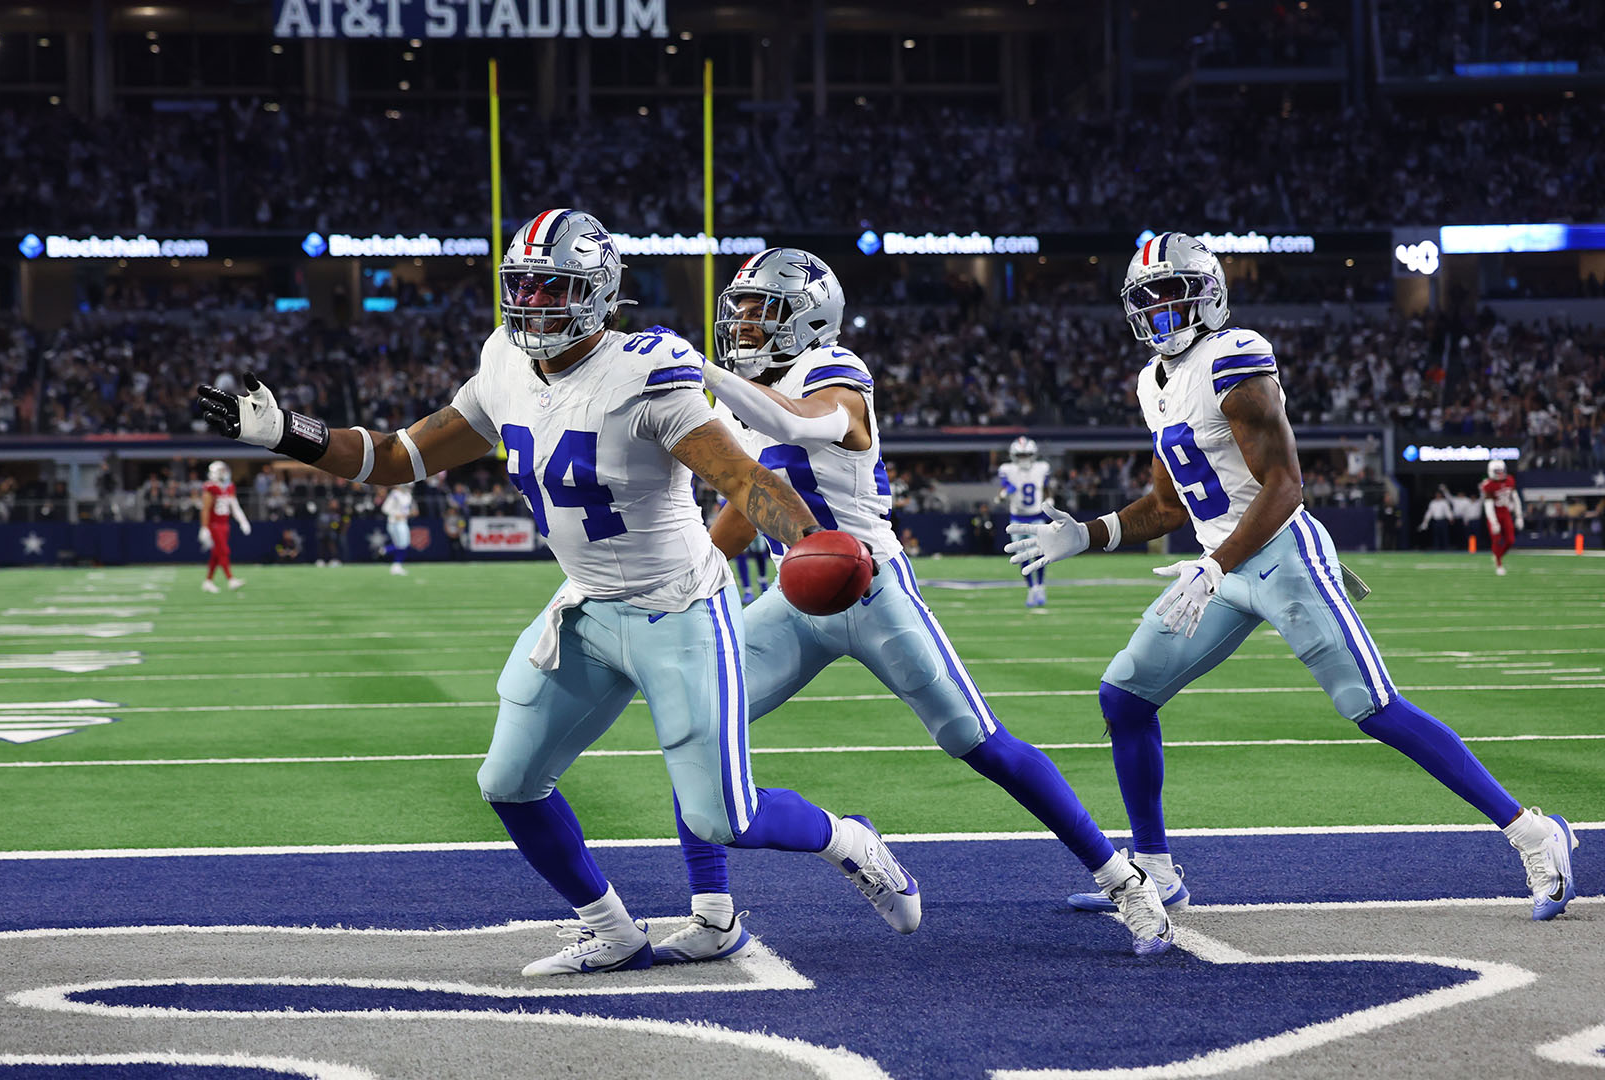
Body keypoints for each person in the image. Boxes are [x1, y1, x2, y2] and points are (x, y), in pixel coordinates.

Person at [200, 209, 921, 977]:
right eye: (526, 284)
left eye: (555, 285)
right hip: (584, 606)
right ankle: (611, 930)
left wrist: (807, 543)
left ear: (602, 295)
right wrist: (287, 434)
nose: (536, 300)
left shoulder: (647, 373)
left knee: (724, 814)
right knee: (507, 781)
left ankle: (851, 841)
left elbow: (744, 479)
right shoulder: (504, 363)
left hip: (676, 606)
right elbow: (393, 458)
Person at [1006, 232, 1577, 921]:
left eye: (1169, 292)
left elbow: (1286, 486)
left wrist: (1216, 564)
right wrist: (1089, 534)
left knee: (1372, 707)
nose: (1157, 309)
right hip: (1216, 569)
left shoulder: (1234, 357)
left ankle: (1533, 833)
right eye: (1145, 297)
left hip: (1278, 554)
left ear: (1208, 294)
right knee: (1125, 697)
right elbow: (1165, 505)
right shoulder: (1151, 383)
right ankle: (1156, 869)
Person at [654, 247, 1171, 961]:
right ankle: (715, 915)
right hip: (794, 599)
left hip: (871, 591)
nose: (741, 323)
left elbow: (809, 425)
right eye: (737, 308)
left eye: (760, 309)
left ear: (812, 320)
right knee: (694, 722)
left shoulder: (832, 370)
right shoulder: (736, 405)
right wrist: (694, 578)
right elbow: (749, 507)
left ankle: (1125, 880)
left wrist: (701, 373)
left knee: (979, 742)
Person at [998, 436, 1053, 607]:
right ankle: (1031, 588)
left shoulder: (1041, 468)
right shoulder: (1007, 469)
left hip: (1036, 516)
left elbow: (1046, 488)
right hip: (1016, 519)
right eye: (1020, 456)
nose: (1024, 459)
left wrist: (1049, 500)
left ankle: (1040, 585)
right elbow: (1004, 486)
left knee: (1040, 552)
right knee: (1021, 555)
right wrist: (1004, 492)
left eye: (1026, 455)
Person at [200, 461, 249, 593]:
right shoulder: (210, 487)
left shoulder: (229, 486)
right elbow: (205, 509)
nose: (224, 473)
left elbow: (234, 505)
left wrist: (243, 521)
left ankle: (208, 581)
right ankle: (231, 579)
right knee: (224, 551)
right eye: (221, 471)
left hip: (225, 524)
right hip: (214, 525)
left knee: (216, 554)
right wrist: (204, 527)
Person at [1480, 460, 1524, 575]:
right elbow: (1488, 506)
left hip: (1506, 512)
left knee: (1510, 540)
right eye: (1497, 471)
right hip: (1495, 513)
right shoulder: (1488, 485)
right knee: (1497, 539)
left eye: (1501, 471)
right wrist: (1494, 522)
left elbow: (1516, 499)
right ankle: (1499, 564)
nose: (1500, 474)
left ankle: (1498, 556)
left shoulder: (1510, 480)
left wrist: (1519, 516)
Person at [380, 484, 414, 576]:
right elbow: (385, 508)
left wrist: (408, 514)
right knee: (402, 545)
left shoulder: (408, 495)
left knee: (404, 544)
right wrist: (395, 514)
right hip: (393, 522)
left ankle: (388, 552)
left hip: (403, 522)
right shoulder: (395, 494)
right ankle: (395, 563)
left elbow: (405, 510)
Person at [1419, 485, 1454, 550]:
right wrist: (1425, 521)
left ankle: (1446, 548)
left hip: (1443, 521)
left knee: (1445, 535)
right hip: (1436, 521)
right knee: (1436, 535)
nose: (1438, 496)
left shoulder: (1444, 502)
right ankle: (1436, 548)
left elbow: (1447, 511)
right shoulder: (1432, 503)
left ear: (1441, 495)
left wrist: (1450, 518)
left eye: (1439, 495)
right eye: (1437, 495)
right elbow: (1429, 512)